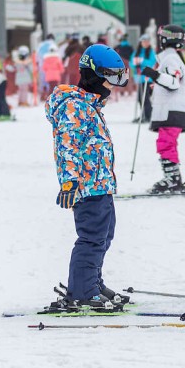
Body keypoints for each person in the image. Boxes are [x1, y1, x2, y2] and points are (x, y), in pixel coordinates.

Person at [43, 44, 130, 313]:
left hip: (100, 184)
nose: (114, 86)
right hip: (86, 186)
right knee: (91, 238)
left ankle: (91, 281)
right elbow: (68, 146)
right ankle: (82, 291)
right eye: (111, 78)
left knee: (104, 235)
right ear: (94, 76)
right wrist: (69, 181)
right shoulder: (73, 107)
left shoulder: (89, 105)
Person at [141, 25, 185, 194]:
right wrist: (155, 84)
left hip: (172, 110)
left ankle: (172, 180)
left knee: (166, 143)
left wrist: (154, 75)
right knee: (167, 143)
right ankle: (173, 178)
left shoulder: (170, 59)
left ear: (164, 40)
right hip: (172, 109)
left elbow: (173, 82)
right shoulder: (171, 58)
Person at [131, 35, 157, 122]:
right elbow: (132, 63)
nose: (145, 43)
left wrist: (142, 61)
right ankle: (144, 114)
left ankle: (148, 115)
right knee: (140, 98)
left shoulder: (151, 52)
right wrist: (135, 62)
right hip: (138, 78)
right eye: (144, 41)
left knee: (145, 98)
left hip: (147, 79)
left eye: (147, 41)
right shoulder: (136, 52)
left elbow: (152, 62)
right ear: (141, 42)